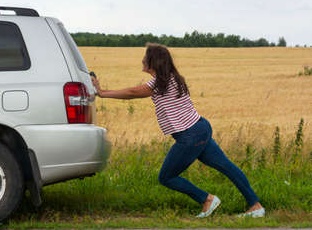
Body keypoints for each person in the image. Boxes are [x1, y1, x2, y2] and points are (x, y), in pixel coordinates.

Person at [91, 43, 265, 218]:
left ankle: (207, 199)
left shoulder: (162, 82)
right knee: (227, 167)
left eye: (145, 56)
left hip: (190, 135)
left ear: (153, 61)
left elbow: (132, 92)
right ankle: (255, 206)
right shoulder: (172, 78)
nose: (142, 59)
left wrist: (102, 92)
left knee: (166, 177)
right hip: (199, 128)